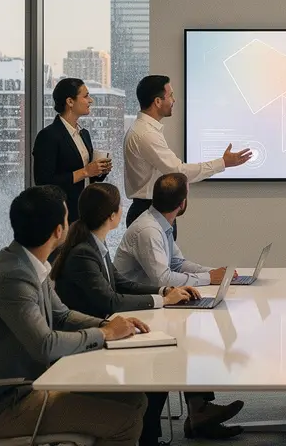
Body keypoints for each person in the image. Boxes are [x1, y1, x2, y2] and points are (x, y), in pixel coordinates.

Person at [0, 185, 150, 446]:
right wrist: (104, 334)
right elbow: (45, 345)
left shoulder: (27, 263)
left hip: (26, 387)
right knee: (125, 420)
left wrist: (109, 324)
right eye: (67, 218)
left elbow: (62, 316)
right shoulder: (13, 277)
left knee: (134, 398)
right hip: (3, 407)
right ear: (59, 230)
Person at [49, 182, 240, 444]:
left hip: (107, 325)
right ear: (113, 216)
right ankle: (151, 436)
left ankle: (178, 421)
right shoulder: (86, 252)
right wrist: (162, 298)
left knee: (172, 347)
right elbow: (111, 299)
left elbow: (123, 284)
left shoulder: (95, 246)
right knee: (162, 359)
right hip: (92, 335)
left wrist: (164, 293)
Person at [113, 172, 245, 439]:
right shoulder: (149, 230)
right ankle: (161, 429)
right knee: (186, 339)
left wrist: (215, 272)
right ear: (182, 202)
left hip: (157, 303)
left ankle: (199, 411)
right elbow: (162, 279)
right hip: (137, 308)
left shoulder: (162, 222)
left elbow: (177, 263)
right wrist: (209, 278)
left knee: (194, 331)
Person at [123, 75, 252, 232]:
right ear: (157, 101)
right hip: (148, 211)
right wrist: (223, 163)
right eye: (170, 95)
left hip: (153, 209)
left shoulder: (146, 130)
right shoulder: (146, 134)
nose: (174, 100)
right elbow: (178, 172)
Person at [32, 78, 112, 227]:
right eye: (86, 96)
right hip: (63, 217)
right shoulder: (48, 136)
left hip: (86, 213)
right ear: (70, 101)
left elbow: (88, 178)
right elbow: (43, 182)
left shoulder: (84, 133)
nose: (91, 100)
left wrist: (99, 171)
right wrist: (85, 171)